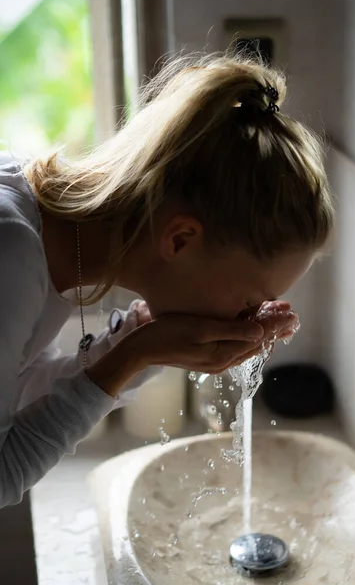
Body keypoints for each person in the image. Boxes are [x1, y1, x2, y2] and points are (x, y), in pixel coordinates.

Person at [0, 51, 334, 508]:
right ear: (180, 240)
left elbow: (19, 390)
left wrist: (141, 339)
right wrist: (138, 352)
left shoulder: (46, 240)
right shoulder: (10, 253)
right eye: (249, 300)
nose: (249, 318)